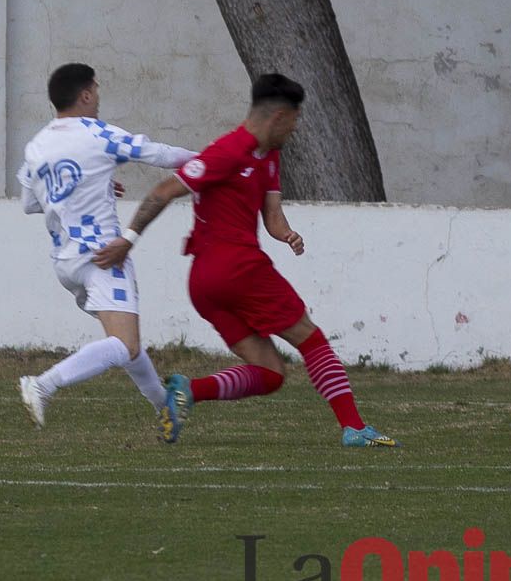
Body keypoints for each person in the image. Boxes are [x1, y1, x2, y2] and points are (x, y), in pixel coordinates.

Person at [93, 73, 398, 448]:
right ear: (279, 117)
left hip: (206, 283)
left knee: (271, 374)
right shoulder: (227, 151)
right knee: (312, 340)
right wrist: (128, 239)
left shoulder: (270, 155)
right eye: (296, 120)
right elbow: (162, 191)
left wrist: (285, 233)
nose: (296, 129)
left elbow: (271, 215)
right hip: (237, 268)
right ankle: (354, 428)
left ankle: (189, 390)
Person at [16, 63, 197, 429]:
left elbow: (30, 203)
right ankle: (42, 385)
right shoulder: (96, 133)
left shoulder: (37, 145)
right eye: (96, 91)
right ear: (85, 95)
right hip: (102, 255)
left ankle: (165, 406)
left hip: (66, 261)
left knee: (123, 341)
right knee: (125, 345)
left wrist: (89, 185)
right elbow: (156, 153)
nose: (98, 98)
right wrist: (210, 160)